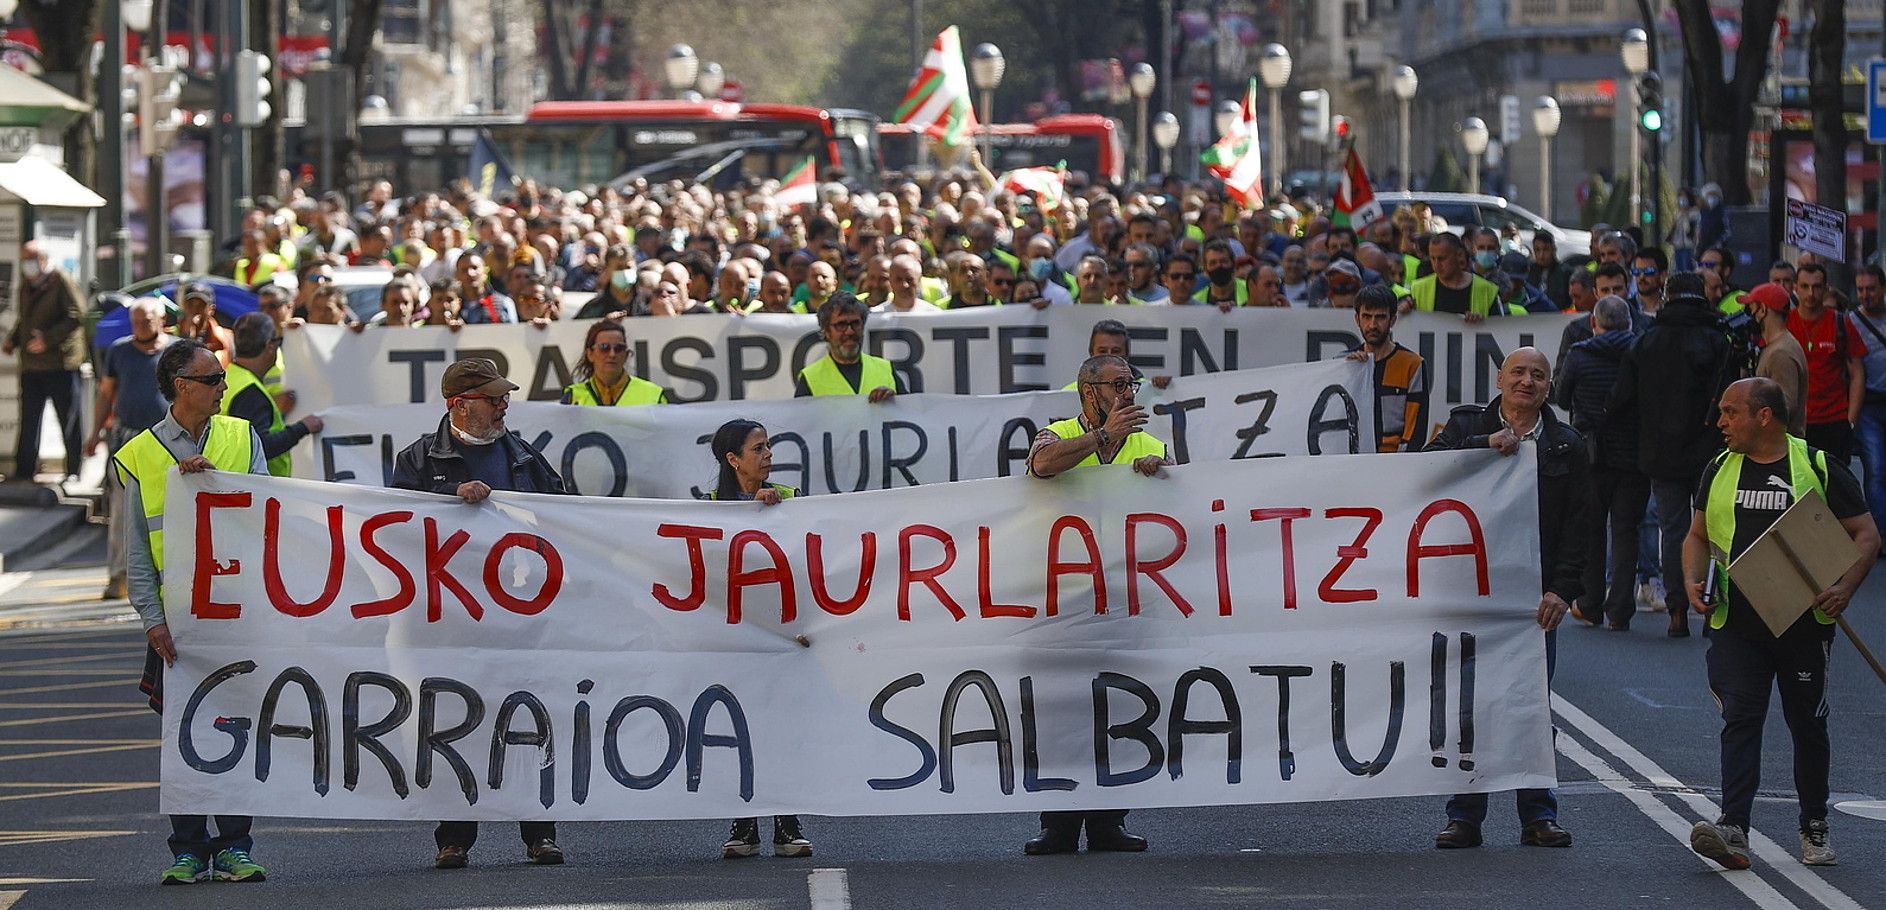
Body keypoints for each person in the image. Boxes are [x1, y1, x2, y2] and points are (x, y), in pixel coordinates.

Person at [1683, 378, 1879, 871]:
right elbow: (1696, 535)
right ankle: (1733, 826)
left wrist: (1844, 588)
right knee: (1741, 718)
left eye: (1730, 413)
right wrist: (1692, 579)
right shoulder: (1718, 468)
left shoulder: (1815, 466)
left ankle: (1814, 824)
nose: (1720, 422)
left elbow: (1866, 534)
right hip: (1737, 624)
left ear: (1763, 416)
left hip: (1803, 626)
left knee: (1808, 726)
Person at [389, 358, 568, 870]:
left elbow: (563, 513)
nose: (503, 405)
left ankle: (540, 832)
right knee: (449, 720)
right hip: (447, 617)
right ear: (458, 405)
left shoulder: (525, 457)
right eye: (493, 398)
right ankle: (454, 837)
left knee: (528, 718)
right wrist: (450, 496)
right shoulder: (419, 460)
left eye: (503, 397)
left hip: (516, 613)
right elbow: (396, 522)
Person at [115, 339, 271, 885]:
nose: (223, 388)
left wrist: (212, 485)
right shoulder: (140, 453)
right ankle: (187, 849)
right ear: (183, 386)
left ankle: (234, 846)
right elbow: (138, 548)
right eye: (214, 380)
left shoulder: (241, 435)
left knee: (235, 725)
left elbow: (265, 516)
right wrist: (151, 620)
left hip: (235, 610)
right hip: (177, 616)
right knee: (180, 730)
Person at [1426, 347, 1585, 850]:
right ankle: (1464, 816)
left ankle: (1538, 815)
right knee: (1467, 704)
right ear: (1499, 379)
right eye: (1518, 372)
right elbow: (1421, 472)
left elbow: (1581, 526)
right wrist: (1478, 446)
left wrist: (1564, 589)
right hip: (1468, 592)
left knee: (1528, 706)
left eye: (1538, 375)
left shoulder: (1566, 445)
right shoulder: (1463, 425)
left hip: (1532, 601)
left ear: (1548, 387)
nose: (1527, 382)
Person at [1022, 353, 1167, 855]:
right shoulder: (1056, 431)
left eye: (1132, 384)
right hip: (1066, 598)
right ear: (1090, 392)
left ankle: (1110, 820)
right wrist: (1103, 436)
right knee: (1064, 710)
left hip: (1127, 595)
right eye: (1119, 384)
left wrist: (1160, 472)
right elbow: (1041, 466)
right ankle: (1059, 824)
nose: (1130, 392)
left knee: (1120, 706)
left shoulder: (1150, 442)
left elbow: (1179, 504)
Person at [702, 418, 816, 860]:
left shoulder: (792, 500)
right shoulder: (707, 508)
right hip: (732, 637)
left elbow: (812, 564)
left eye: (769, 446)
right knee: (736, 728)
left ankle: (787, 821)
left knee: (782, 728)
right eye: (758, 449)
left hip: (785, 634)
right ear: (733, 460)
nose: (769, 454)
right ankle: (744, 821)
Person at [1609, 272, 1732, 637]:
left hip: (1659, 451)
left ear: (1667, 297)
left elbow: (1621, 400)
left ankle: (1677, 608)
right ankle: (1712, 606)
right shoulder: (1718, 341)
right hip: (1710, 448)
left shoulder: (1647, 341)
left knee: (1674, 530)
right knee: (1714, 530)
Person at [1556, 297, 1645, 629]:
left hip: (1590, 455)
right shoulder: (1641, 352)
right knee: (1626, 532)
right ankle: (1620, 609)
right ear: (1629, 324)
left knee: (1591, 531)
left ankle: (1590, 603)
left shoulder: (1580, 354)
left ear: (1595, 323)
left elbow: (1562, 398)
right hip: (1633, 455)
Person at [88, 297, 173, 600]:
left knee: (170, 510)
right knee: (123, 510)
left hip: (168, 444)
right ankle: (119, 576)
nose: (141, 326)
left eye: (147, 320)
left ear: (161, 319)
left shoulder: (176, 351)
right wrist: (95, 433)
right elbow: (106, 394)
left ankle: (169, 575)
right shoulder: (120, 351)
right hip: (128, 442)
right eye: (136, 321)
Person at [5, 240, 86, 480]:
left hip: (60, 364)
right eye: (23, 260)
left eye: (30, 259)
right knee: (29, 419)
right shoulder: (26, 286)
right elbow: (26, 319)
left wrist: (48, 340)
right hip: (31, 365)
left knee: (68, 419)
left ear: (43, 259)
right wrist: (13, 340)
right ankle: (24, 472)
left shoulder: (61, 280)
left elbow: (77, 315)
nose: (26, 265)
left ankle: (73, 469)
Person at [220, 314, 322, 477]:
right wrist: (303, 427)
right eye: (278, 341)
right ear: (269, 346)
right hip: (258, 487)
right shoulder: (250, 392)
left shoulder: (230, 376)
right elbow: (261, 446)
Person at [1786, 262, 1865, 464]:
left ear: (1826, 289)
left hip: (1834, 420)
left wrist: (1851, 421)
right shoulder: (1785, 322)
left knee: (1835, 487)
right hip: (1796, 422)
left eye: (1816, 286)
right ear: (1795, 287)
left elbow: (1857, 373)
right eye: (1804, 286)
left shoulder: (1840, 322)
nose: (1810, 293)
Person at [1344, 285, 1429, 452]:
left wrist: (1397, 466)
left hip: (1393, 464)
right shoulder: (1345, 362)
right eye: (1366, 317)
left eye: (1380, 317)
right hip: (1352, 464)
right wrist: (1347, 371)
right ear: (1357, 319)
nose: (1372, 325)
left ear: (1392, 320)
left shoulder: (1412, 364)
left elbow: (1415, 431)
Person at [794, 293, 904, 399]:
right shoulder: (810, 378)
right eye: (841, 325)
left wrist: (894, 402)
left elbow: (910, 412)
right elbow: (801, 418)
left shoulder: (886, 369)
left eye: (855, 323)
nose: (849, 331)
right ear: (827, 332)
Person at [1740, 283, 1808, 436]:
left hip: (1779, 449)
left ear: (1763, 310)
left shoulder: (1780, 353)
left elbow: (1785, 407)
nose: (1749, 315)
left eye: (1751, 309)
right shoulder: (1775, 347)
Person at [1851, 265, 1886, 548]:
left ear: (1883, 288)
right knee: (1875, 468)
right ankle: (1880, 536)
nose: (1866, 295)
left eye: (1871, 289)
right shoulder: (1851, 321)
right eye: (1861, 289)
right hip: (1869, 405)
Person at [560, 320, 669, 405]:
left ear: (626, 355)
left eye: (619, 348)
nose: (612, 354)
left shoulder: (654, 395)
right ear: (590, 354)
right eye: (604, 347)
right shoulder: (572, 398)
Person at [1405, 232, 1506, 321]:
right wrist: (1402, 309)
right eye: (1433, 258)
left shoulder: (1487, 291)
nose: (1436, 265)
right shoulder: (1418, 289)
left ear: (1460, 255)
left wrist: (1482, 324)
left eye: (1442, 258)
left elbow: (1499, 330)